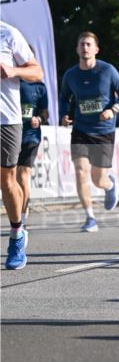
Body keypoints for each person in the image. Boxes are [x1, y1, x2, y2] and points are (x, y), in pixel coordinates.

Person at [59, 32, 119, 233]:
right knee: (81, 171)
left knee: (98, 179)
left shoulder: (108, 70)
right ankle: (90, 217)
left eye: (89, 44)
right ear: (77, 49)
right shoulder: (71, 75)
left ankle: (109, 185)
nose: (85, 47)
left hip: (104, 131)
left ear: (96, 49)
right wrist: (64, 115)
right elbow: (64, 98)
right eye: (81, 44)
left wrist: (113, 110)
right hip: (81, 129)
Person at [1, 21, 44, 269]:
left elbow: (37, 72)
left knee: (7, 181)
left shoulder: (9, 33)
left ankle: (17, 234)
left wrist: (14, 71)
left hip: (6, 119)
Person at [17, 53, 49, 232]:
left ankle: (21, 219)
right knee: (9, 180)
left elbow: (46, 113)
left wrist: (39, 118)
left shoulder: (39, 86)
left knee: (23, 176)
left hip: (30, 135)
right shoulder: (8, 82)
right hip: (9, 135)